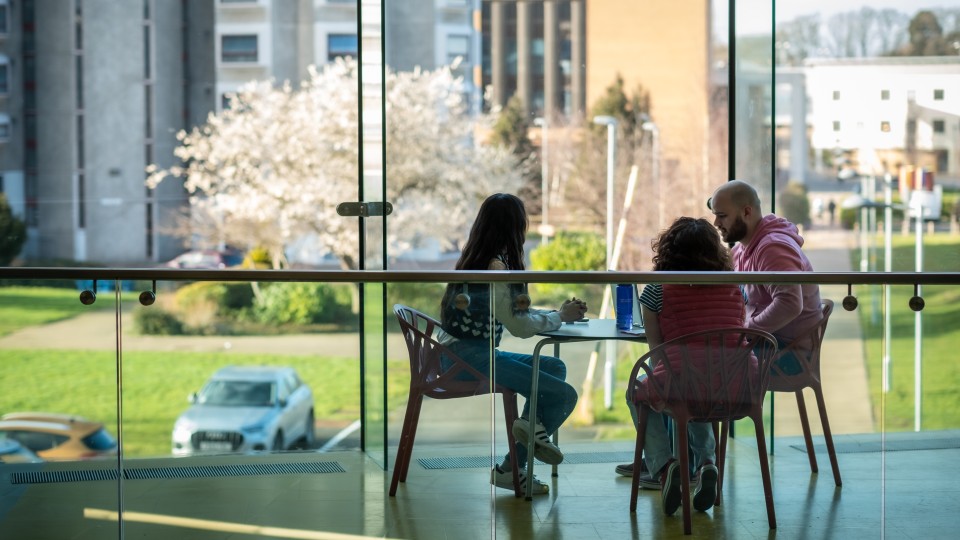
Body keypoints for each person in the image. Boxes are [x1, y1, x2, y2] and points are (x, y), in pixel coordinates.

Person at [438, 193, 585, 495]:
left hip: (455, 354)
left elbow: (513, 314)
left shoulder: (474, 258)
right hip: (468, 361)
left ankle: (521, 444)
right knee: (565, 395)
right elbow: (519, 327)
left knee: (554, 365)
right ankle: (516, 460)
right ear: (516, 228)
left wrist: (554, 314)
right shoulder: (496, 268)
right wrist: (559, 316)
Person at [620, 217, 748, 516]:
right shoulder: (736, 288)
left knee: (639, 392)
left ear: (667, 252)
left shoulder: (656, 291)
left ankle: (665, 467)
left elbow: (657, 354)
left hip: (685, 381)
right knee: (701, 383)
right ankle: (707, 463)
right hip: (737, 383)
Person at [708, 179, 823, 376]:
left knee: (701, 367)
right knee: (698, 362)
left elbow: (790, 303)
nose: (716, 223)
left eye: (722, 216)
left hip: (790, 355)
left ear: (746, 212)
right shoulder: (742, 250)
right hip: (772, 344)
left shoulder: (772, 247)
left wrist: (745, 332)